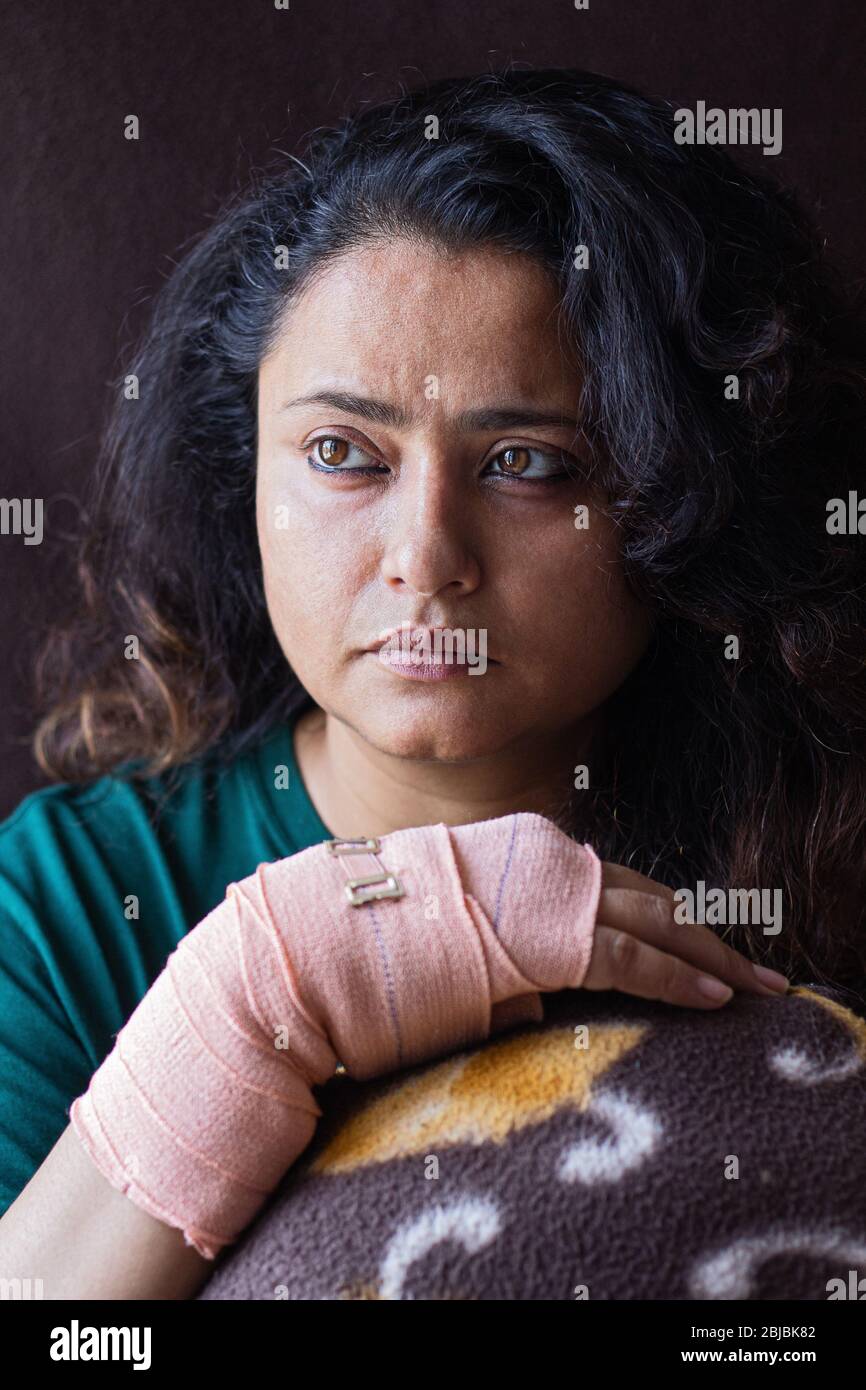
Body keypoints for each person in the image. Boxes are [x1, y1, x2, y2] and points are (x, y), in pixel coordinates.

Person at [0, 67, 863, 1300]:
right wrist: (259, 996)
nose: (425, 558)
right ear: (242, 468)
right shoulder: (76, 900)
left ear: (682, 498)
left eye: (525, 463)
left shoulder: (823, 849)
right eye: (342, 453)